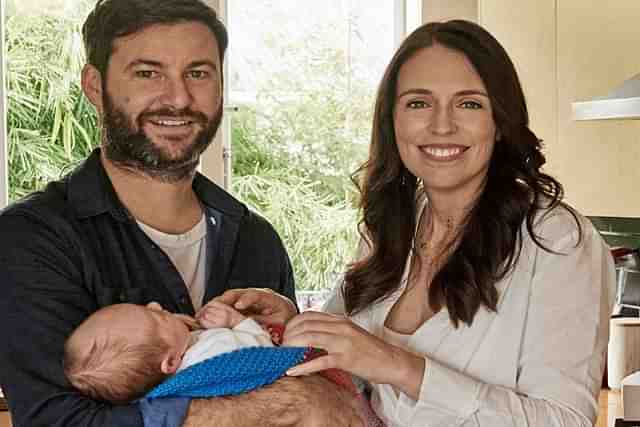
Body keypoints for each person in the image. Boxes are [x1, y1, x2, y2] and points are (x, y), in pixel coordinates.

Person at [219, 20, 617, 426]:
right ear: (392, 121)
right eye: (418, 103)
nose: (441, 125)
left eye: (469, 103)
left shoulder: (556, 239)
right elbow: (347, 369)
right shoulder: (392, 221)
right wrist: (293, 325)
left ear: (499, 122)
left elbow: (564, 420)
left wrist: (399, 366)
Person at [0, 0, 364, 426]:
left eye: (198, 73)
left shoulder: (256, 240)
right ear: (95, 87)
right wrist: (284, 406)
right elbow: (57, 421)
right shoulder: (29, 239)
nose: (178, 98)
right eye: (148, 73)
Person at [64, 301, 275, 404]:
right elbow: (264, 350)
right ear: (172, 361)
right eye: (159, 318)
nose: (156, 305)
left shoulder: (166, 380)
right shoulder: (217, 348)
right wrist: (237, 321)